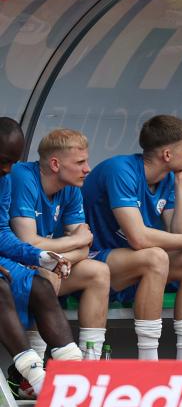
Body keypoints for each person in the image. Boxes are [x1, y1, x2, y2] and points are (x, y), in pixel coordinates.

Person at [81, 115, 182, 361]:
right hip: (95, 258)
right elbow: (138, 238)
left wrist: (181, 184)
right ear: (167, 155)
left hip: (135, 262)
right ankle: (148, 361)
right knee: (155, 256)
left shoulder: (170, 177)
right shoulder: (121, 170)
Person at [8, 129, 109, 362]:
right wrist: (70, 246)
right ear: (55, 164)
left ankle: (89, 363)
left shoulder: (72, 187)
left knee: (98, 272)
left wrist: (59, 257)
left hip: (43, 264)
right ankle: (34, 370)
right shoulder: (23, 177)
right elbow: (28, 243)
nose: (88, 169)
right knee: (47, 272)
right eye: (80, 162)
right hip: (11, 270)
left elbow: (85, 247)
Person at [0, 118, 82, 400]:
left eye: (13, 162)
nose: (7, 169)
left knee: (41, 285)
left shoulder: (4, 181)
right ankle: (36, 378)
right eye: (3, 160)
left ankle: (74, 379)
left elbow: (2, 233)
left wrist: (42, 257)